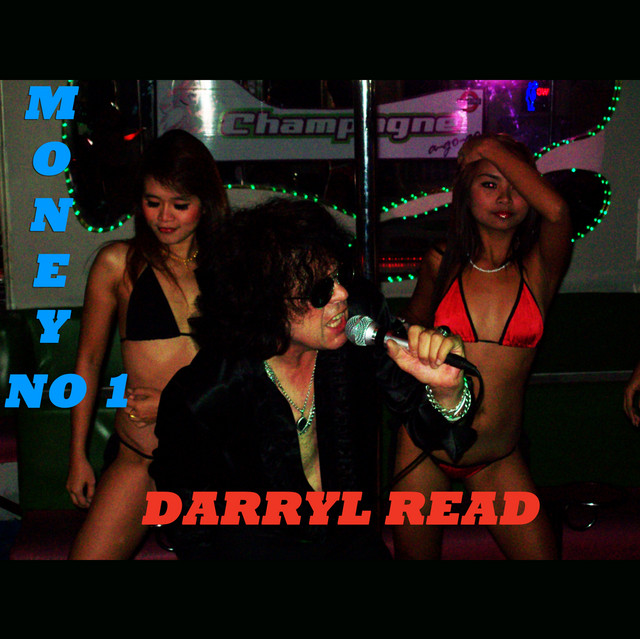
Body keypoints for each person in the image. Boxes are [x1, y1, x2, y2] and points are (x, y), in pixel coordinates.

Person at [149, 197, 477, 560]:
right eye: (320, 289)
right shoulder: (207, 393)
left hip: (351, 540)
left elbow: (437, 434)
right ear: (265, 303)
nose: (341, 294)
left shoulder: (360, 326)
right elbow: (185, 517)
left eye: (339, 276)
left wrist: (447, 391)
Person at [393, 133, 573, 560]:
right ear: (465, 191)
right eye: (489, 184)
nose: (505, 198)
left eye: (516, 185)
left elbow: (558, 211)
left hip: (496, 458)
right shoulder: (441, 260)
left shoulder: (541, 266)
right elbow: (410, 325)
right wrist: (411, 335)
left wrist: (488, 148)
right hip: (424, 448)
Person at [66, 129, 230, 559]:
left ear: (205, 203)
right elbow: (88, 361)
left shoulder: (232, 268)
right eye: (153, 202)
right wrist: (77, 455)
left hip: (221, 456)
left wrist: (176, 404)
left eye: (180, 204)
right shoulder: (116, 263)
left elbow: (253, 367)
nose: (165, 217)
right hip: (142, 455)